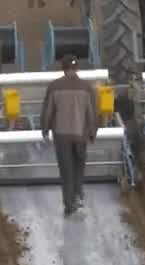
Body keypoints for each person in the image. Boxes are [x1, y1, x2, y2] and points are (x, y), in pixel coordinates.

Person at [39, 53, 100, 216]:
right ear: (77, 68)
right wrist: (93, 132)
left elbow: (48, 111)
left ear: (63, 68)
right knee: (79, 167)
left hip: (61, 136)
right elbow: (93, 113)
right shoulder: (87, 88)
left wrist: (44, 130)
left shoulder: (54, 87)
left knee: (66, 170)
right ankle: (78, 195)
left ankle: (69, 204)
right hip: (80, 136)